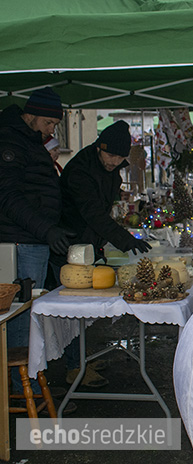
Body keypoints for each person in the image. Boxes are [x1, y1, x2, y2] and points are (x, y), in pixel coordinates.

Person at [56, 120, 151, 388]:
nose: (114, 162)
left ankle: (81, 358)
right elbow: (93, 213)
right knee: (73, 310)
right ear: (99, 147)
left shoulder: (111, 168)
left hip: (88, 242)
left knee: (82, 311)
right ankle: (75, 367)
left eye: (120, 158)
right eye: (110, 155)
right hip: (70, 243)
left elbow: (103, 207)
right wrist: (123, 239)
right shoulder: (80, 170)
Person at [0, 87, 72, 396]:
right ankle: (21, 386)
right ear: (30, 114)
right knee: (21, 315)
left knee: (29, 313)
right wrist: (46, 230)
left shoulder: (29, 140)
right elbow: (9, 197)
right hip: (22, 241)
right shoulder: (11, 141)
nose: (52, 130)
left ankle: (26, 381)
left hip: (34, 239)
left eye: (55, 124)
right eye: (48, 122)